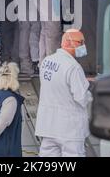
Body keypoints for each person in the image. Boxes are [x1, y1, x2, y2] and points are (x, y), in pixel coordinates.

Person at [35, 29, 92, 157]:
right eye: (80, 42)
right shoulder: (73, 67)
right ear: (68, 42)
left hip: (48, 126)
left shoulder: (46, 62)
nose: (83, 46)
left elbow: (55, 85)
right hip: (70, 129)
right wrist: (90, 91)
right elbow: (81, 97)